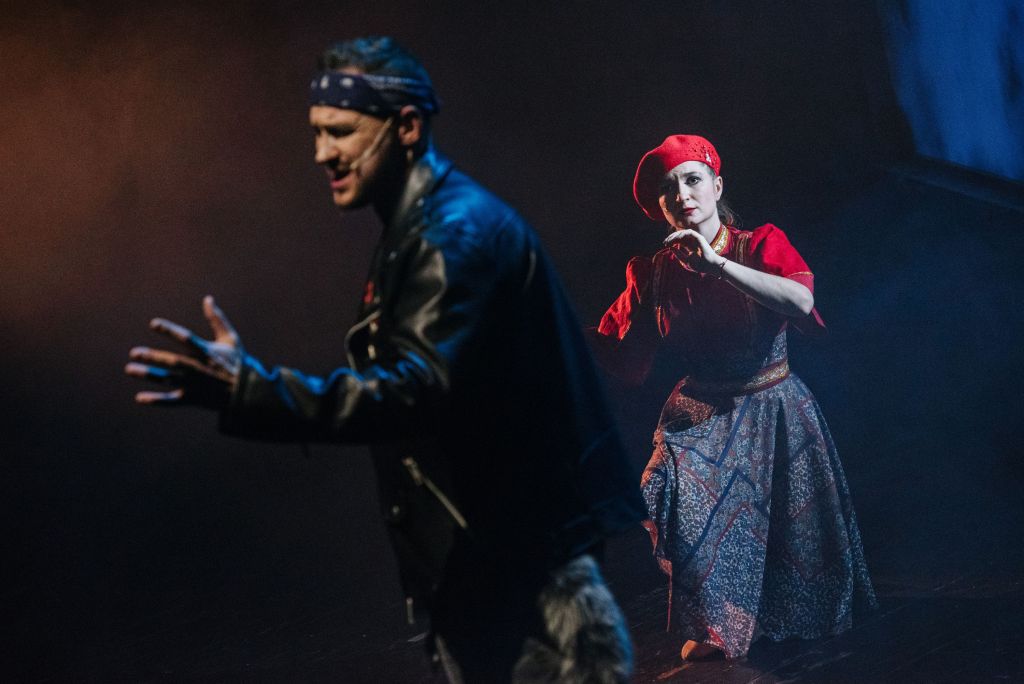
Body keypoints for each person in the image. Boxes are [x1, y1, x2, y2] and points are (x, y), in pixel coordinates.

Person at [124, 36, 644, 683]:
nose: (322, 153)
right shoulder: (414, 229)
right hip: (491, 557)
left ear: (407, 127)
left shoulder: (452, 233)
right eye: (317, 133)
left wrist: (252, 391)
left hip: (523, 565)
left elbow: (415, 389)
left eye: (341, 132)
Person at [591, 134, 876, 660]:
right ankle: (719, 622)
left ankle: (774, 618)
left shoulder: (758, 244)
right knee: (667, 495)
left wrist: (716, 265)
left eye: (692, 180)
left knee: (786, 528)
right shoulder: (654, 271)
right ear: (660, 206)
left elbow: (800, 300)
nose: (683, 194)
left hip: (772, 404)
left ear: (717, 186)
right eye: (669, 188)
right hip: (702, 411)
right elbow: (625, 355)